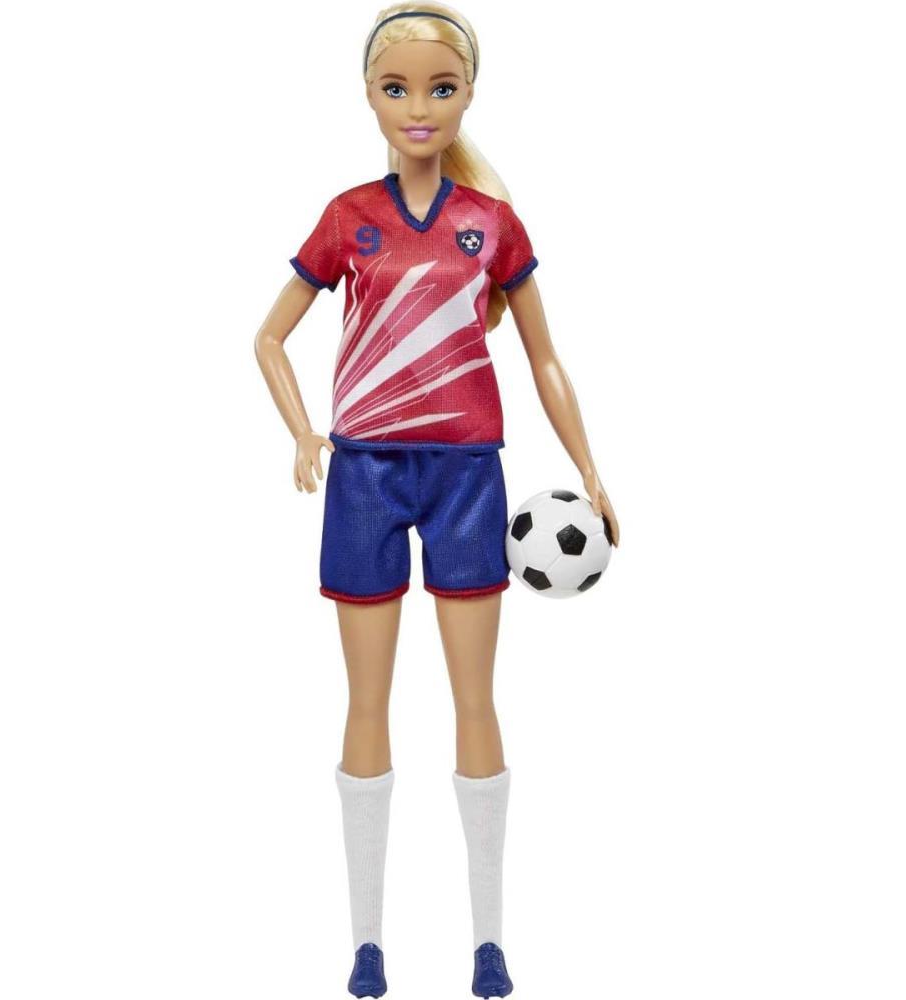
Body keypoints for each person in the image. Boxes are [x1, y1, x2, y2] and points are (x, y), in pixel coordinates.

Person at [253, 4, 620, 996]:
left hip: (466, 473)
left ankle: (488, 940)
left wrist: (589, 470)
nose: (418, 106)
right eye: (397, 87)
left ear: (468, 94)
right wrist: (303, 431)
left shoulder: (492, 224)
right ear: (369, 95)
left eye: (440, 87)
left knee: (473, 699)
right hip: (364, 474)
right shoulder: (347, 216)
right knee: (366, 700)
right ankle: (367, 941)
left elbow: (544, 355)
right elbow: (269, 335)